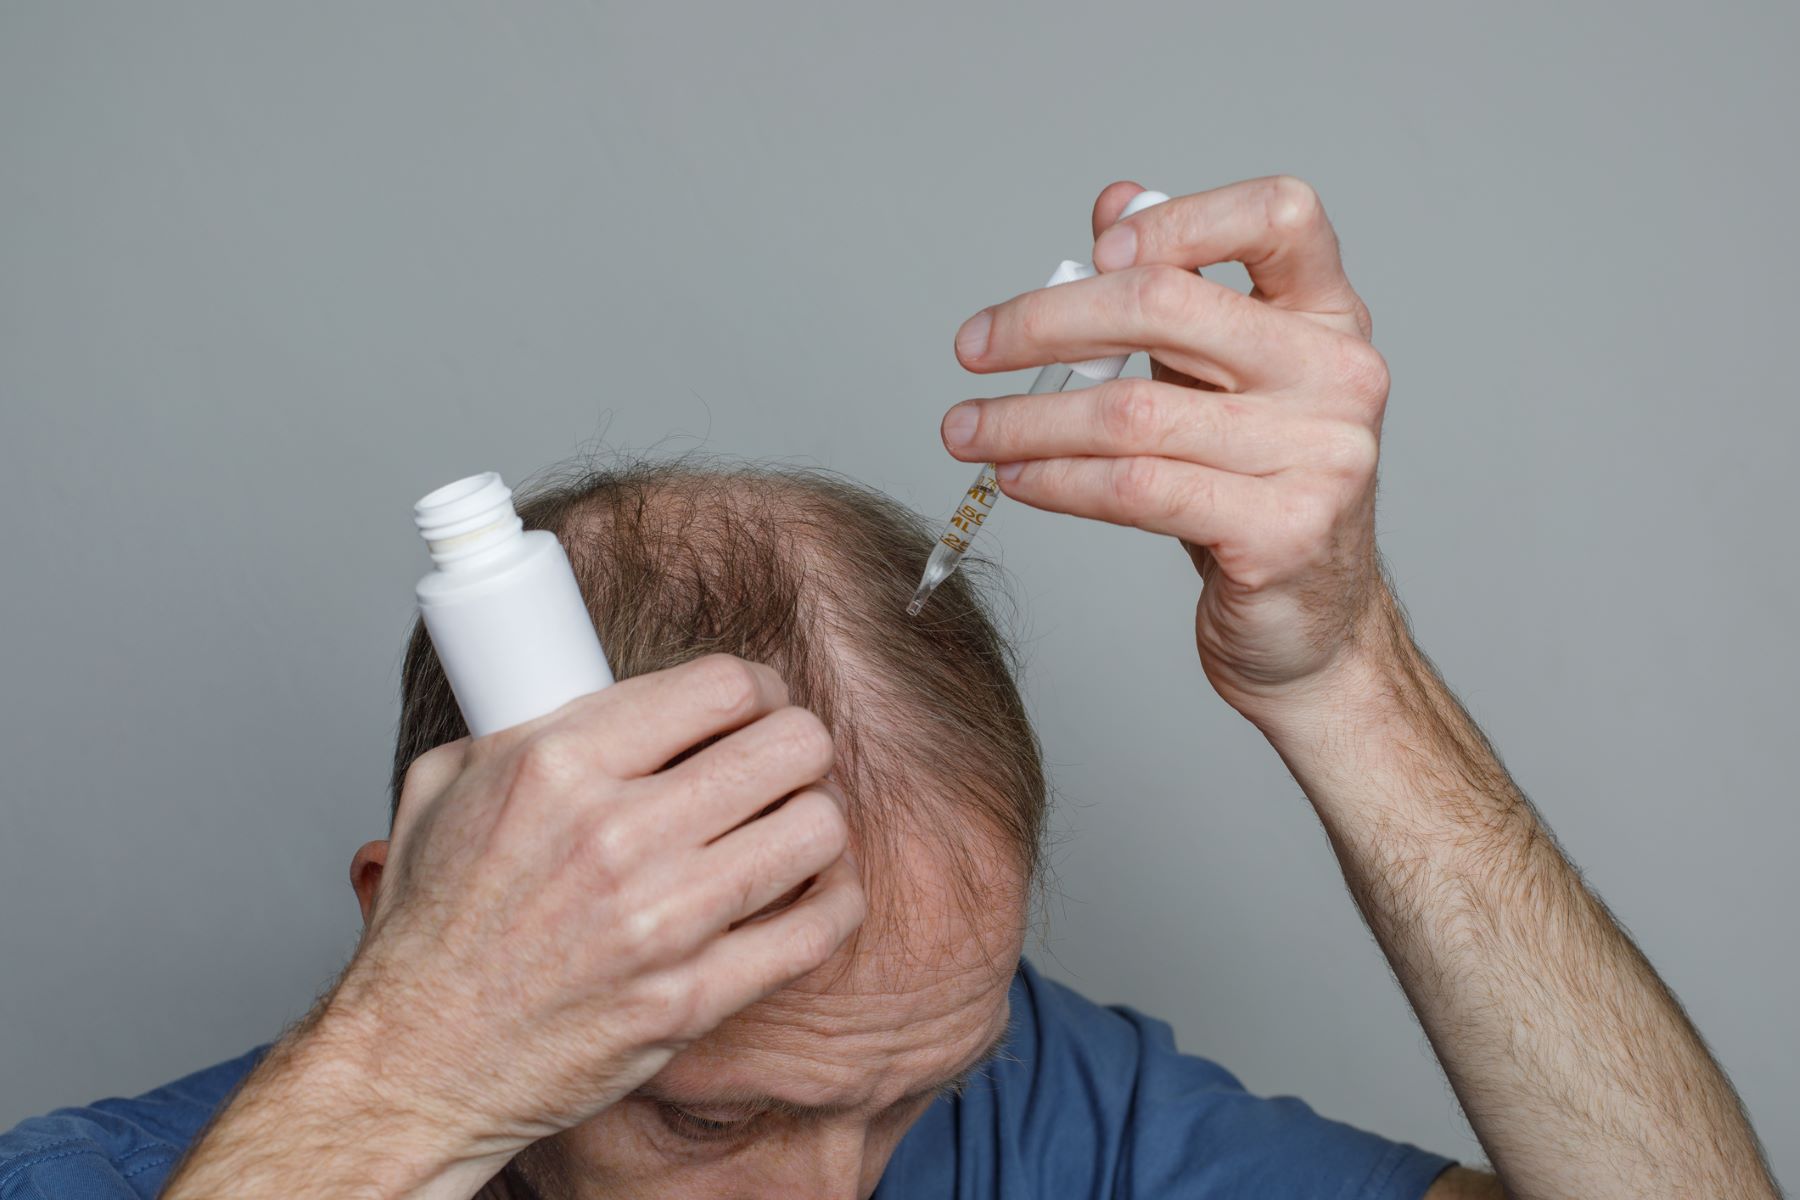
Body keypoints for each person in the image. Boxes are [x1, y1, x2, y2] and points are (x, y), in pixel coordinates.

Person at [0, 179, 1778, 1200]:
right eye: (708, 1114)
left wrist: (1349, 672)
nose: (835, 1197)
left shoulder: (1035, 1110)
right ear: (433, 936)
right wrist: (395, 1084)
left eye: (903, 1092)